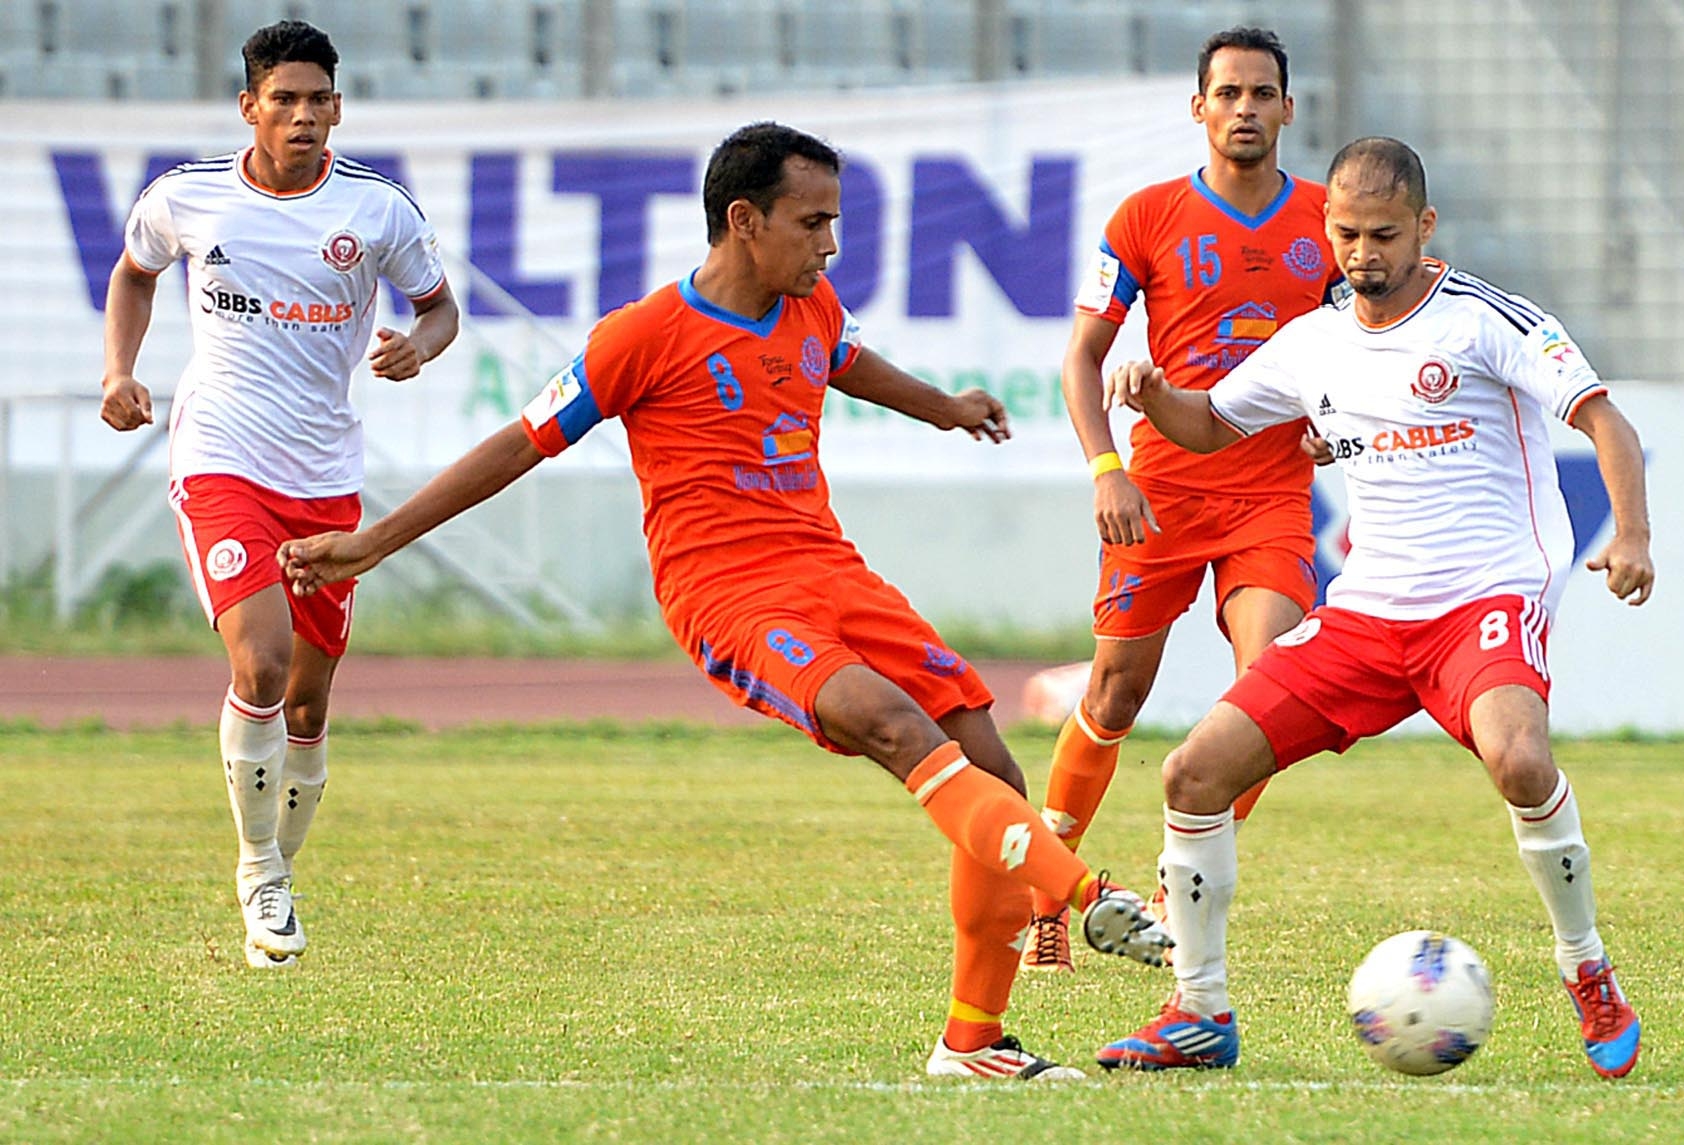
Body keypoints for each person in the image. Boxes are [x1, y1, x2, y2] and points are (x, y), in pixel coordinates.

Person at [278, 122, 1171, 1079]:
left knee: (991, 763)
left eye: (834, 220)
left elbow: (849, 361)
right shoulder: (641, 337)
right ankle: (1081, 894)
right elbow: (513, 446)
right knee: (889, 721)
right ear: (744, 220)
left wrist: (944, 407)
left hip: (834, 571)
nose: (830, 244)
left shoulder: (811, 304)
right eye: (813, 222)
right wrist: (371, 541)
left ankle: (973, 1040)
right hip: (729, 595)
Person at [1094, 137, 1650, 1079]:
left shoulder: (1483, 319)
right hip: (1366, 615)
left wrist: (1629, 535)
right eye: (1346, 234)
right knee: (1192, 774)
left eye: (1384, 234)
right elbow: (1211, 422)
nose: (1363, 254)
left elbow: (1605, 420)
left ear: (1424, 228)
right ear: (1327, 231)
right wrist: (1154, 394)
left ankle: (1585, 967)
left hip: (1482, 596)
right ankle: (1197, 1010)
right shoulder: (1313, 342)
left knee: (1520, 757)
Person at [99, 20, 460, 969]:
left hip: (325, 477)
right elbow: (135, 274)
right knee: (257, 666)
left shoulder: (378, 212)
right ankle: (259, 866)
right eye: (284, 99)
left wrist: (418, 347)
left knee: (305, 703)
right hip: (219, 455)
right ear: (250, 107)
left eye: (319, 100)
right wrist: (119, 372)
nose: (303, 116)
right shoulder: (187, 198)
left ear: (338, 108)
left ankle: (280, 870)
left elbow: (440, 306)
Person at [1024, 26, 1341, 972]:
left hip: (1273, 495)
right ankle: (1044, 894)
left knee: (1266, 691)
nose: (1245, 109)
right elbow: (1082, 357)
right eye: (1228, 93)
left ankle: (1169, 887)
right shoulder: (1146, 218)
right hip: (1159, 494)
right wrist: (1105, 468)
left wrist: (1334, 416)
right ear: (1198, 108)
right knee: (1114, 693)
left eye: (1262, 94)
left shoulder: (1330, 221)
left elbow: (1356, 344)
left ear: (1289, 107)